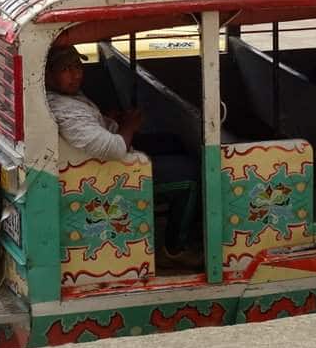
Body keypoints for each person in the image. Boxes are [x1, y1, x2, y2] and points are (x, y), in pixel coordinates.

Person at [45, 44, 201, 266]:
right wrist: (129, 125)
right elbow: (114, 149)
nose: (76, 75)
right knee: (191, 172)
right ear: (48, 74)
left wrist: (110, 120)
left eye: (78, 67)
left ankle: (189, 220)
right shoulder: (65, 110)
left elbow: (92, 128)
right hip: (108, 175)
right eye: (65, 69)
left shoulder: (68, 97)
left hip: (105, 155)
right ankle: (174, 248)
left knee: (173, 141)